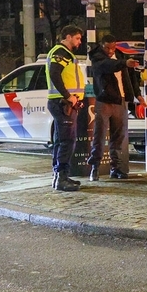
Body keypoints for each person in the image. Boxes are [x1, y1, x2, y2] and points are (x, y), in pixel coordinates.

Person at [88, 34, 144, 181]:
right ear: (102, 45)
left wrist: (137, 95)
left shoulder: (120, 55)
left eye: (113, 47)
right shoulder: (97, 57)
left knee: (118, 137)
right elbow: (107, 66)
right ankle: (95, 167)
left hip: (120, 100)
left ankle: (117, 168)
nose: (111, 51)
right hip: (104, 100)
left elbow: (131, 78)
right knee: (99, 135)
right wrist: (124, 63)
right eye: (108, 48)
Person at [45, 25, 85, 192]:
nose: (79, 42)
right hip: (63, 103)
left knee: (61, 141)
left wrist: (75, 99)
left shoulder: (65, 54)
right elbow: (55, 74)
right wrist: (69, 97)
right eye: (77, 38)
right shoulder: (61, 52)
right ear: (68, 37)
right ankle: (61, 178)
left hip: (65, 103)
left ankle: (61, 176)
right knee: (66, 141)